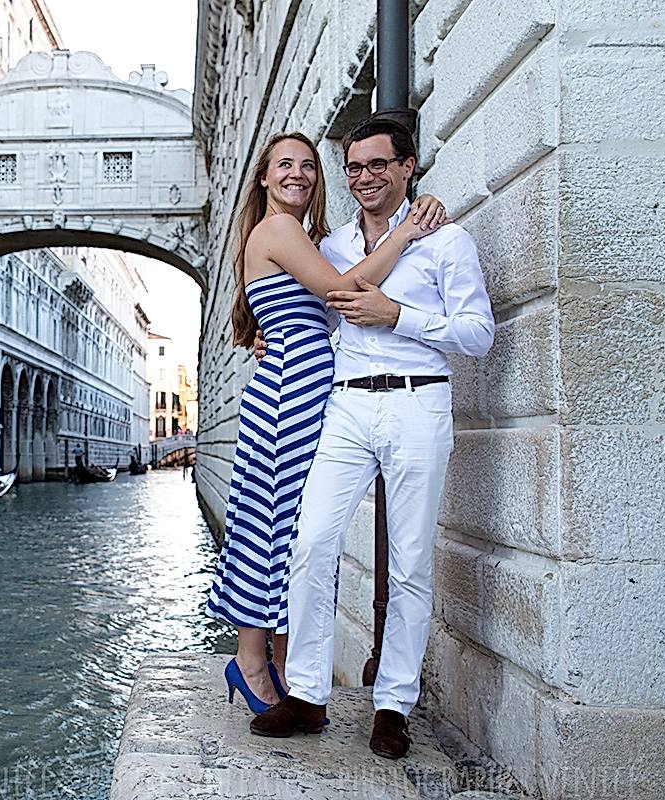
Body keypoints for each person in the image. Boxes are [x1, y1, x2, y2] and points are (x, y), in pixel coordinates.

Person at [247, 117, 494, 759]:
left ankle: (392, 706)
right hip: (347, 407)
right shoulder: (327, 246)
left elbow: (478, 334)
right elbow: (311, 301)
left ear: (408, 166)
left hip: (418, 405)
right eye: (354, 167)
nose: (365, 178)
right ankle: (305, 693)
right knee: (312, 541)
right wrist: (261, 334)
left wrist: (401, 317)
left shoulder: (449, 241)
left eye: (379, 165)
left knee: (409, 561)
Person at [205, 131, 448, 721]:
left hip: (308, 390)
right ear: (262, 178)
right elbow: (344, 292)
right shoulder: (279, 229)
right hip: (291, 395)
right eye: (284, 164)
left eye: (309, 165)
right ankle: (253, 661)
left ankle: (282, 661)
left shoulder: (297, 236)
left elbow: (305, 311)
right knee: (274, 525)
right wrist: (406, 233)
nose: (299, 174)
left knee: (286, 527)